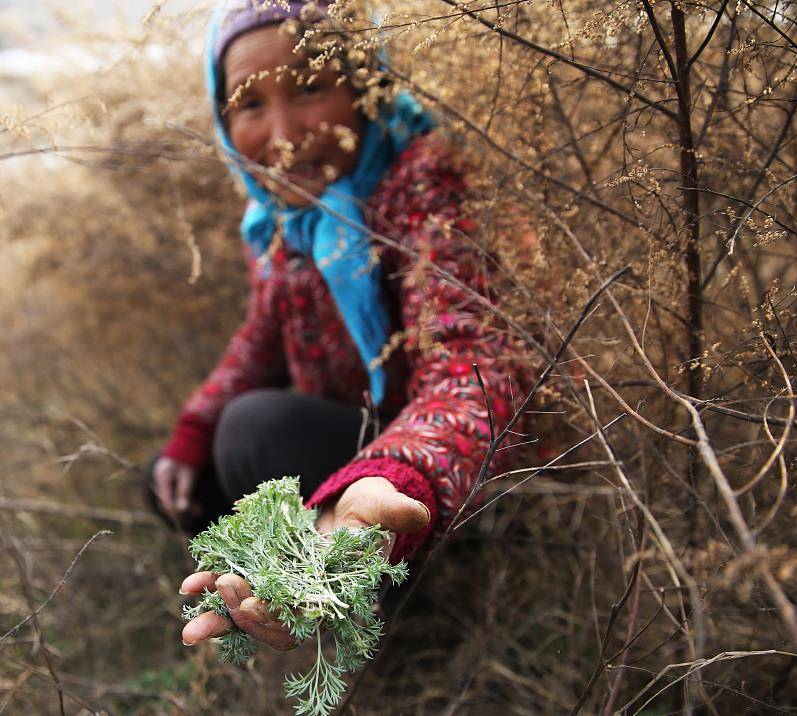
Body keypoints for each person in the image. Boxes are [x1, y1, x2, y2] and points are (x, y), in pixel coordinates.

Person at [144, 1, 529, 652]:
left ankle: (419, 611)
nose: (284, 133)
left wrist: (387, 481)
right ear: (222, 117)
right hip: (357, 443)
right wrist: (190, 432)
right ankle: (286, 596)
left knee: (255, 431)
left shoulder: (424, 185)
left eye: (311, 87)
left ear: (364, 85)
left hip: (438, 473)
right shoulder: (281, 217)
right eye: (249, 105)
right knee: (172, 475)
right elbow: (262, 335)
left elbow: (474, 371)